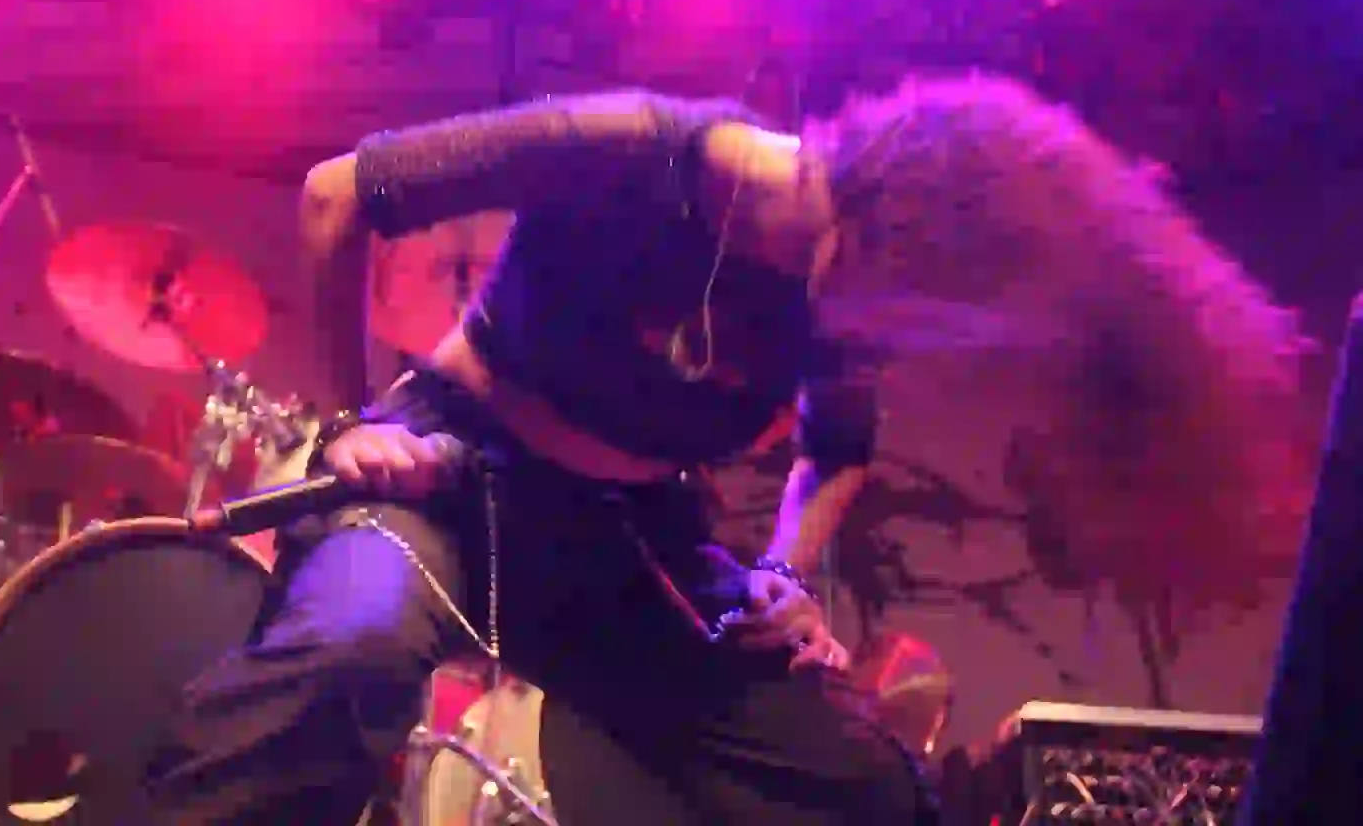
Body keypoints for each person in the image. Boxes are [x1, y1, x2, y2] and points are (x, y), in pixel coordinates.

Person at [142, 76, 1310, 825]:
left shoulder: (850, 295)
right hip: (448, 474)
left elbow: (836, 455)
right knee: (344, 653)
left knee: (863, 785)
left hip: (631, 543)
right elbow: (336, 193)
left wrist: (783, 577)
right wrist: (351, 424)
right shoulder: (630, 149)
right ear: (859, 229)